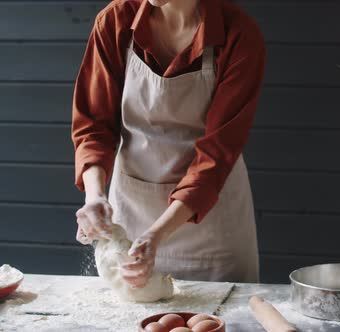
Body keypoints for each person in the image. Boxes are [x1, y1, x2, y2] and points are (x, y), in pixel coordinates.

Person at [71, 0, 265, 288]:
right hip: (130, 216)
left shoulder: (238, 35)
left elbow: (216, 156)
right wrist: (94, 196)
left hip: (211, 229)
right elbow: (94, 126)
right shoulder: (115, 21)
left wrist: (156, 234)